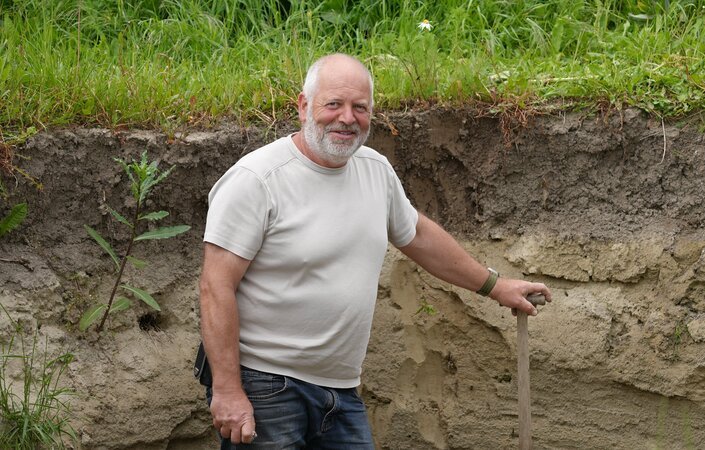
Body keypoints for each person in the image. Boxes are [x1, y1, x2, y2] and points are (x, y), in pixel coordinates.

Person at [199, 53, 552, 449]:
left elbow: (417, 235)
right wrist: (227, 389)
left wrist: (495, 286)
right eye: (334, 104)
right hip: (267, 387)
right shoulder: (257, 180)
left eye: (360, 108)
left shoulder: (374, 169)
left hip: (341, 391)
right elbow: (215, 286)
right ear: (303, 106)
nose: (347, 118)